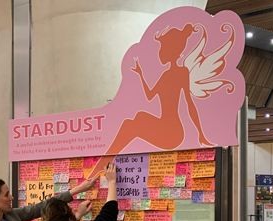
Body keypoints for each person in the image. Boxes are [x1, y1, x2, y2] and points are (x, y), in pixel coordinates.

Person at [86, 23, 236, 179]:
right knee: (138, 117)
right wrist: (141, 74)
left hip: (173, 131)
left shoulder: (182, 72)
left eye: (162, 49)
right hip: (162, 126)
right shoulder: (165, 74)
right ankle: (102, 167)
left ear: (173, 50)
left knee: (130, 124)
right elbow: (150, 96)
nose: (159, 53)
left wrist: (200, 134)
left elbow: (189, 103)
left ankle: (100, 167)